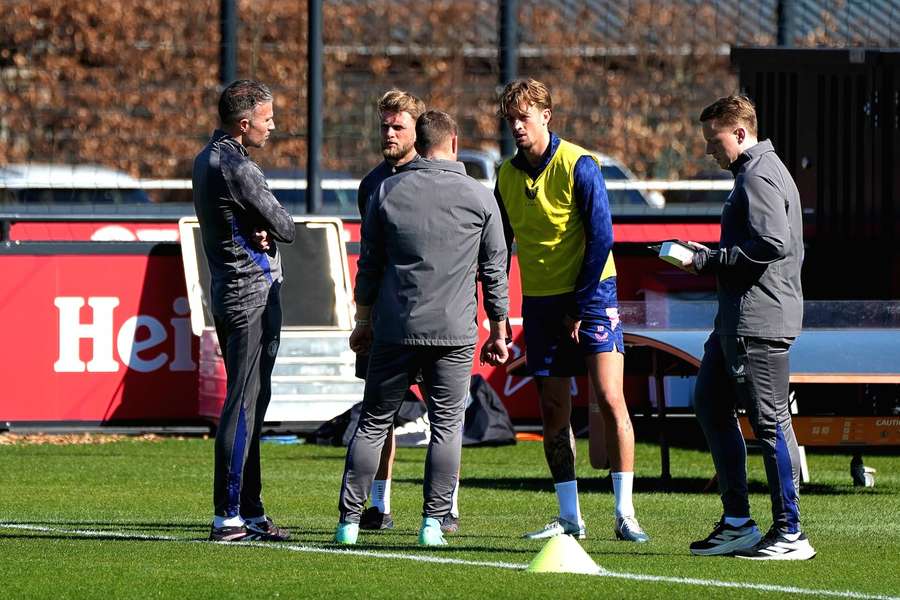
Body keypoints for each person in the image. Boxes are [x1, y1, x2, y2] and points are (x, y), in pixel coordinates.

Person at [335, 110, 510, 546]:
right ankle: (433, 523)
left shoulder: (387, 190)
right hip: (452, 331)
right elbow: (495, 269)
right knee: (447, 426)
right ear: (454, 143)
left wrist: (362, 321)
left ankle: (349, 523)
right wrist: (500, 329)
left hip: (394, 327)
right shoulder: (480, 196)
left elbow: (369, 267)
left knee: (373, 422)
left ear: (420, 140)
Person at [495, 78, 648, 543]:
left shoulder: (579, 164)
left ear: (546, 115)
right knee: (553, 411)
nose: (517, 126)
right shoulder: (504, 175)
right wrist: (500, 313)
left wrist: (582, 304)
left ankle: (625, 514)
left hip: (593, 293)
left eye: (525, 116)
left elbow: (602, 238)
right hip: (541, 303)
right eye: (511, 119)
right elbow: (499, 247)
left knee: (608, 397)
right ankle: (570, 518)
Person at [685, 95, 814, 560]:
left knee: (770, 421)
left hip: (758, 321)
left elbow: (771, 243)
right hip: (736, 320)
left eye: (713, 140)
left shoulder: (759, 172)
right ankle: (738, 522)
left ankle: (790, 532)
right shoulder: (754, 171)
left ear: (740, 133)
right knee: (710, 401)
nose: (708, 150)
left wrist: (709, 260)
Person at [193, 79, 295, 542]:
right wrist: (264, 225)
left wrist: (254, 224)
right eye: (267, 118)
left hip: (229, 289)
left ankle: (250, 511)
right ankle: (228, 515)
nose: (272, 126)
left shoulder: (205, 158)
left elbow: (244, 218)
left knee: (252, 402)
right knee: (243, 403)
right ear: (244, 122)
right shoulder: (236, 165)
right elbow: (285, 225)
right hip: (251, 294)